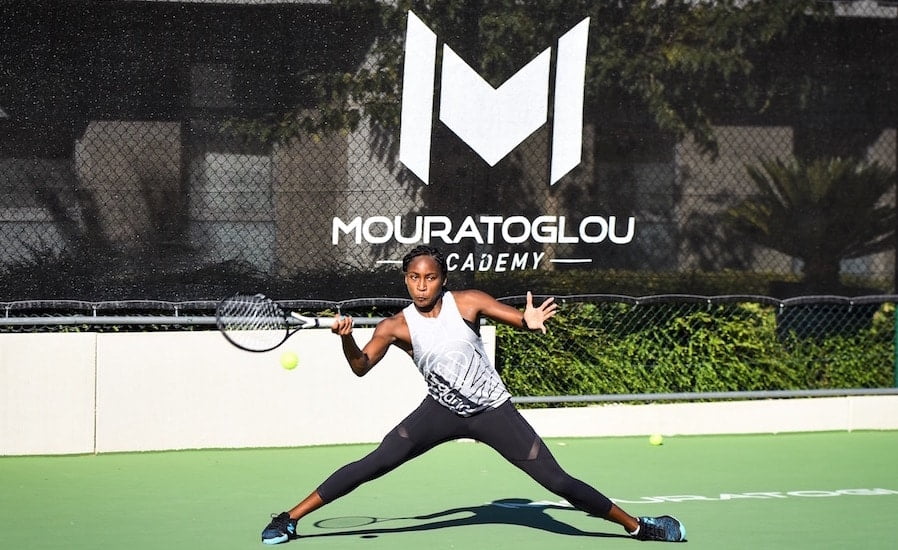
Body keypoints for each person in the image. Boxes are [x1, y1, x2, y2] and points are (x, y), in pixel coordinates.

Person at [260, 245, 686, 544]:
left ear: (442, 279)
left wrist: (530, 319)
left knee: (558, 481)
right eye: (413, 277)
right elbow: (359, 367)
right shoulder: (396, 326)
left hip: (492, 412)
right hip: (440, 412)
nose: (421, 285)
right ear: (405, 280)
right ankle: (288, 519)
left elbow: (519, 319)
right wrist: (346, 340)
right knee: (374, 463)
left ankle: (640, 527)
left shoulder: (467, 303)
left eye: (429, 278)